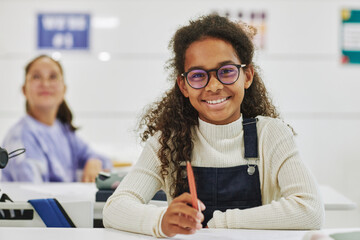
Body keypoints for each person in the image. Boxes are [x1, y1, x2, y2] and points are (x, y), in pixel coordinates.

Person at [103, 14, 324, 237]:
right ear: (184, 85)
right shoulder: (168, 141)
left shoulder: (271, 135)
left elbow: (310, 211)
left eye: (226, 71)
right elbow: (114, 209)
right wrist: (160, 221)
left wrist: (221, 221)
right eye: (198, 76)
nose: (214, 86)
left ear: (247, 76)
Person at [1, 55, 111, 182]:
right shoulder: (19, 138)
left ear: (64, 89)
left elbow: (100, 158)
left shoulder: (63, 131)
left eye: (52, 77)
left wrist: (93, 161)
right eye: (36, 77)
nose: (45, 84)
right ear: (24, 89)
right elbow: (33, 194)